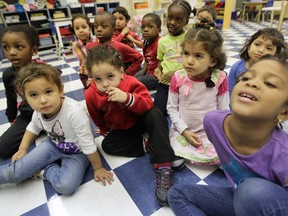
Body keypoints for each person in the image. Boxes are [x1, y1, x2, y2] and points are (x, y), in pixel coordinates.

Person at [168, 55, 288, 215]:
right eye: (245, 77)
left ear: (284, 111)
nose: (251, 82)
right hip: (242, 200)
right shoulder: (214, 123)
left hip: (269, 205)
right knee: (177, 194)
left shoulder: (283, 154)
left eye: (270, 83)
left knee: (252, 191)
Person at [0, 62, 113, 195]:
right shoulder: (39, 112)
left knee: (65, 186)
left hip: (78, 152)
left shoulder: (74, 112)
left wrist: (98, 168)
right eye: (33, 95)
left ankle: (44, 170)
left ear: (60, 90)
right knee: (17, 171)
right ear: (25, 98)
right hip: (52, 145)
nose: (42, 100)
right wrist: (22, 149)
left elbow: (88, 144)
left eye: (48, 91)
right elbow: (33, 128)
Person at [84, 45, 177, 206]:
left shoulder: (131, 82)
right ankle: (149, 144)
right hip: (123, 129)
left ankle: (164, 166)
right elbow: (97, 118)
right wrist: (106, 130)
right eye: (98, 79)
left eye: (110, 76)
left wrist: (127, 98)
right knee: (106, 145)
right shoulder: (91, 94)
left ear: (121, 72)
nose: (105, 84)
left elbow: (148, 104)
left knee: (156, 114)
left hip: (141, 120)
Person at [167, 20, 228, 165]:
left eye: (198, 56)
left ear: (212, 60)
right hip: (182, 129)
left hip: (209, 132)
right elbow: (171, 108)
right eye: (186, 54)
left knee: (224, 157)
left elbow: (224, 110)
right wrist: (184, 131)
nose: (189, 61)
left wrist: (218, 134)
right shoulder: (178, 77)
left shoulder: (220, 78)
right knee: (174, 160)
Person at [0, 25, 40, 159]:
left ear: (33, 50)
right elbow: (10, 98)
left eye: (19, 47)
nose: (11, 52)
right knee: (3, 149)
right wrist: (12, 118)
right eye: (6, 47)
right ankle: (36, 130)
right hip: (27, 116)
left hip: (49, 113)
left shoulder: (44, 70)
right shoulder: (8, 75)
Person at [154, 0, 192, 116]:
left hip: (185, 82)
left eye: (179, 20)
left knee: (185, 111)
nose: (172, 23)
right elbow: (160, 60)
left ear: (186, 22)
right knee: (158, 111)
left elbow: (192, 62)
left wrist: (175, 74)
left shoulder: (189, 39)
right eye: (170, 18)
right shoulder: (162, 41)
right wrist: (158, 70)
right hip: (165, 83)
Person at [228, 28, 286, 96]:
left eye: (269, 48)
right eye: (257, 44)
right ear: (249, 47)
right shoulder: (236, 67)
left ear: (276, 54)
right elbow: (230, 92)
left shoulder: (275, 74)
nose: (261, 50)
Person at [86, 11, 143, 76]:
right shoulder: (89, 46)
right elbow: (89, 63)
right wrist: (90, 77)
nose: (98, 29)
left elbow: (139, 57)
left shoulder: (119, 46)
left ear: (113, 30)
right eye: (96, 26)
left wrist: (127, 74)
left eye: (104, 26)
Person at [135, 13, 161, 90]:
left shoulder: (160, 43)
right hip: (149, 70)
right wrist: (142, 73)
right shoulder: (146, 42)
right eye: (143, 27)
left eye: (150, 27)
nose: (145, 29)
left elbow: (163, 62)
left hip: (155, 75)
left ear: (158, 30)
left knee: (136, 83)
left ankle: (158, 86)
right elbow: (146, 60)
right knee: (133, 78)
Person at [69, 13, 95, 88]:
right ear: (74, 31)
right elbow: (85, 61)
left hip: (98, 71)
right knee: (90, 91)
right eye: (77, 28)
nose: (81, 30)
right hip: (86, 74)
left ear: (89, 28)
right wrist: (90, 77)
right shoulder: (76, 45)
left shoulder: (95, 40)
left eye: (84, 27)